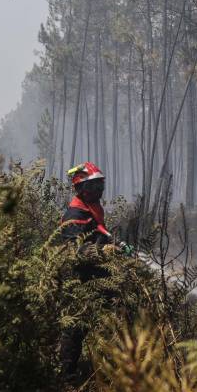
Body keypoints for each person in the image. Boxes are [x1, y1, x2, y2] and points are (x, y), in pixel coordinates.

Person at [58, 161, 131, 380]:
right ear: (81, 188)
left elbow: (99, 233)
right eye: (95, 186)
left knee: (114, 318)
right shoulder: (74, 214)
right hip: (79, 279)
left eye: (101, 185)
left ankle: (113, 368)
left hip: (98, 276)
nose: (99, 190)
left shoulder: (92, 207)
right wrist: (106, 250)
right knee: (75, 326)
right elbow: (76, 250)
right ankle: (67, 377)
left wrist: (117, 244)